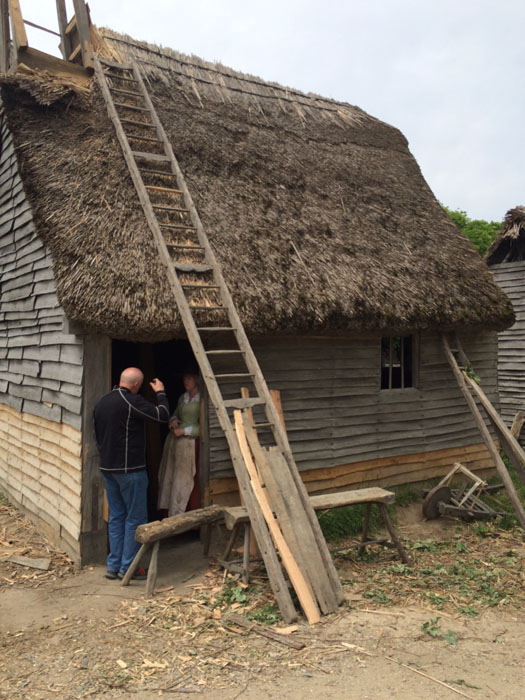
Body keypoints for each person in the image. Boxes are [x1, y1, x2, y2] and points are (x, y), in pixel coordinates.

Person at [94, 367, 170, 580]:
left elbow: (97, 435)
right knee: (134, 519)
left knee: (117, 516)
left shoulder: (102, 401)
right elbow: (162, 415)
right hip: (130, 471)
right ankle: (128, 567)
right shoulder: (130, 401)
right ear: (136, 384)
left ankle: (113, 565)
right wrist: (161, 392)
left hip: (108, 469)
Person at [157, 371, 201, 517]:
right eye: (184, 378)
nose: (185, 381)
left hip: (191, 445)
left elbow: (205, 426)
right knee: (172, 478)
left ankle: (189, 518)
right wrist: (173, 421)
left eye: (189, 378)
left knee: (187, 480)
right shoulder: (183, 397)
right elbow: (175, 413)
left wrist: (184, 431)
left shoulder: (202, 399)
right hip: (175, 444)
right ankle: (172, 515)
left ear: (196, 379)